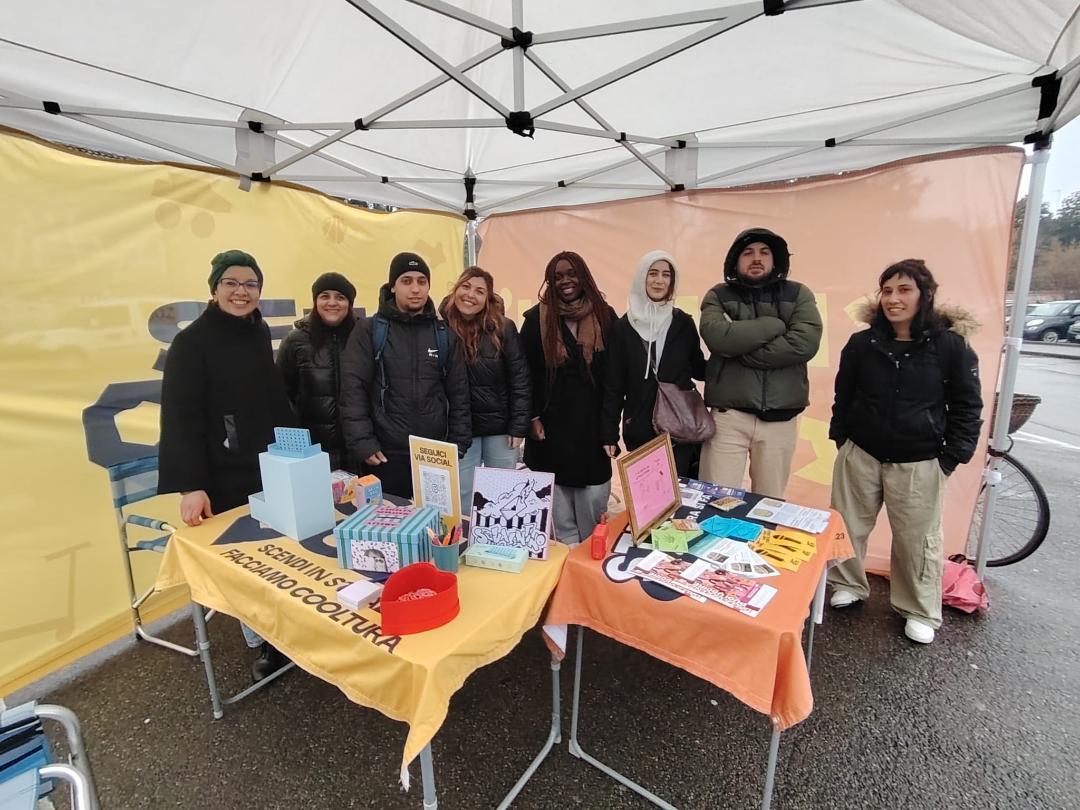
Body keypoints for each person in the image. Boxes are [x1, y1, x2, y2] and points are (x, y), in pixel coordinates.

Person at [827, 259, 982, 644]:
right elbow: (843, 395)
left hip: (920, 459)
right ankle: (848, 584)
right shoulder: (863, 343)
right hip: (861, 451)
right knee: (848, 525)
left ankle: (917, 609)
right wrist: (841, 436)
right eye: (887, 291)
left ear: (924, 295)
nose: (894, 299)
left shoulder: (950, 346)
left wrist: (951, 457)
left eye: (904, 290)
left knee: (917, 539)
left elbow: (967, 407)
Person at [157, 249, 295, 680]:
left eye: (250, 284)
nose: (241, 292)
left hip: (267, 464)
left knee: (276, 554)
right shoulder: (191, 343)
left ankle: (286, 634)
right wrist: (190, 486)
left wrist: (297, 448)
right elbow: (180, 416)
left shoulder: (256, 331)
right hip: (222, 471)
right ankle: (264, 645)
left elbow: (274, 397)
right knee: (244, 563)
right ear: (214, 289)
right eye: (232, 283)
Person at [699, 228, 822, 498]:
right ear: (735, 260)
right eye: (748, 252)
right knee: (716, 500)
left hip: (780, 418)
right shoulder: (718, 295)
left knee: (769, 503)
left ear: (775, 259)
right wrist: (774, 326)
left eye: (764, 252)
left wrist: (741, 346)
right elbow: (718, 338)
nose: (757, 258)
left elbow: (804, 343)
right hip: (728, 417)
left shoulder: (799, 294)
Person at [340, 252, 471, 498]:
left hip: (434, 453)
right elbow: (353, 389)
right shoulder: (369, 330)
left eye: (422, 281)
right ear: (393, 286)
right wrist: (363, 442)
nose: (415, 289)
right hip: (385, 455)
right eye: (406, 281)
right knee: (388, 530)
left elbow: (459, 393)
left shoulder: (444, 334)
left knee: (436, 530)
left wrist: (458, 443)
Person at [520, 251, 617, 543]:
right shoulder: (535, 319)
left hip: (592, 424)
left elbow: (615, 377)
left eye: (571, 274)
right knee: (559, 513)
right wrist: (532, 416)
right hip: (551, 425)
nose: (565, 281)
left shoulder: (605, 315)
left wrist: (610, 428)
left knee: (592, 501)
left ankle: (589, 560)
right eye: (558, 276)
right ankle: (566, 561)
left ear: (584, 276)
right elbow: (525, 374)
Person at [601, 250, 706, 476]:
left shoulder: (682, 323)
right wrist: (609, 433)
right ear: (642, 277)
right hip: (640, 426)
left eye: (666, 275)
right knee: (648, 498)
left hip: (680, 427)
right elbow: (614, 386)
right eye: (653, 273)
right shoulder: (622, 329)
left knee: (681, 496)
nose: (659, 281)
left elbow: (699, 368)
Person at [439, 266, 531, 514]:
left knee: (501, 495)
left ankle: (497, 548)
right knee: (461, 496)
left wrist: (518, 425)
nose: (471, 295)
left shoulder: (503, 328)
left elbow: (520, 379)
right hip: (458, 430)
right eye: (466, 287)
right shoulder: (438, 327)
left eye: (480, 291)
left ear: (487, 299)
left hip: (499, 429)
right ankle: (464, 547)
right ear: (455, 289)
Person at [277, 272, 357, 472]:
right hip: (312, 451)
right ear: (315, 301)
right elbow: (282, 395)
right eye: (325, 296)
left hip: (356, 452)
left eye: (340, 297)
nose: (332, 303)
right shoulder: (295, 341)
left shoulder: (361, 337)